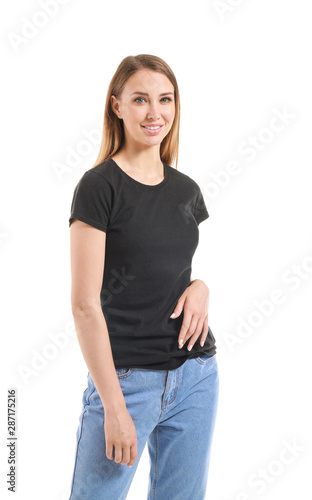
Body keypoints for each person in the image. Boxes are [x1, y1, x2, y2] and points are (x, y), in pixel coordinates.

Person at [67, 54, 219, 500]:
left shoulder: (186, 190)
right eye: (140, 100)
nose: (155, 113)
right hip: (126, 379)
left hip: (195, 376)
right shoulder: (99, 187)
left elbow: (169, 269)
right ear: (117, 106)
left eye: (165, 100)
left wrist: (201, 286)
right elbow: (84, 304)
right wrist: (113, 405)